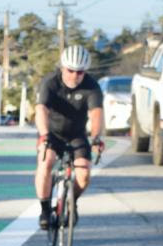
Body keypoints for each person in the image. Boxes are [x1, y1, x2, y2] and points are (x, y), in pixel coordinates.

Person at [34, 45, 105, 230]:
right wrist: (44, 134)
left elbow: (96, 113)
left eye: (80, 72)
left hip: (76, 135)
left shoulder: (92, 86)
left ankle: (70, 202)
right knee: (46, 161)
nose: (75, 76)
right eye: (70, 70)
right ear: (62, 67)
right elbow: (41, 109)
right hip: (52, 133)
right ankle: (44, 209)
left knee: (84, 175)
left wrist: (96, 137)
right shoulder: (50, 82)